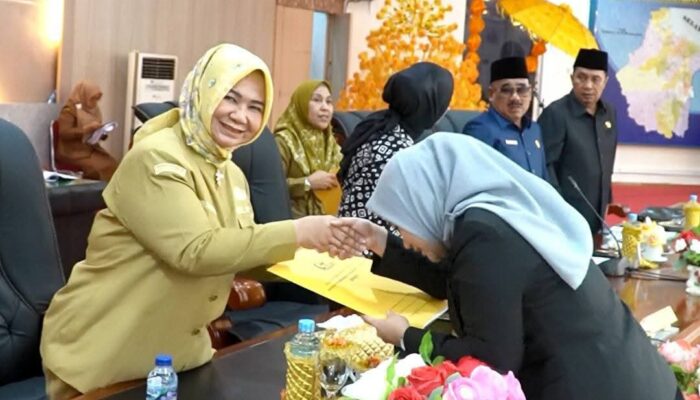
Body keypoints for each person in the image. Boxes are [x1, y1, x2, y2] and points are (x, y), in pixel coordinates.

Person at [39, 44, 360, 399]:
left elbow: (241, 249)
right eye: (230, 98)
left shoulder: (230, 172)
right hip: (107, 357)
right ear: (203, 91)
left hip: (180, 358)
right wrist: (300, 231)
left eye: (255, 107)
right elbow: (196, 250)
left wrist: (327, 258)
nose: (241, 116)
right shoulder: (156, 158)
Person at [339, 133, 677, 400]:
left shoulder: (486, 237)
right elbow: (459, 281)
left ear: (425, 200)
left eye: (401, 222)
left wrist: (405, 336)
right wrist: (379, 241)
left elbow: (493, 359)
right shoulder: (490, 218)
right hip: (631, 376)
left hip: (598, 386)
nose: (405, 236)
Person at [337, 62, 454, 236]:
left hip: (361, 241)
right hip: (366, 247)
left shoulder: (381, 128)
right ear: (430, 107)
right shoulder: (397, 152)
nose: (448, 108)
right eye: (445, 102)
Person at [538, 48, 618, 234]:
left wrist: (607, 199)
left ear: (605, 82)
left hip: (597, 211)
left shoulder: (609, 113)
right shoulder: (556, 113)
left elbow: (607, 159)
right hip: (566, 214)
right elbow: (546, 167)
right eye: (581, 77)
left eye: (595, 79)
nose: (588, 86)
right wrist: (558, 208)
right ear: (572, 77)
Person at [462, 57, 548, 180]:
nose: (515, 97)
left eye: (522, 90)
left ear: (530, 93)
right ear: (491, 94)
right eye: (506, 90)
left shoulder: (534, 129)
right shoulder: (480, 129)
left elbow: (544, 179)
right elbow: (473, 179)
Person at [274, 80, 341, 218]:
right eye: (317, 100)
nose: (325, 107)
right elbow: (271, 187)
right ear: (302, 104)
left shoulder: (331, 142)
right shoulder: (284, 141)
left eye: (329, 102)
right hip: (293, 224)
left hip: (329, 222)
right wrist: (307, 183)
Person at [56, 81, 118, 181]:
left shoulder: (94, 109)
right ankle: (96, 190)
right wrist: (85, 130)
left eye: (97, 99)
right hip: (72, 151)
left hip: (90, 149)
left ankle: (108, 190)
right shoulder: (69, 110)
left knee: (112, 164)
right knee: (96, 169)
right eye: (92, 99)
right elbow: (64, 133)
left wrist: (101, 132)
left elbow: (95, 132)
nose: (95, 102)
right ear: (84, 95)